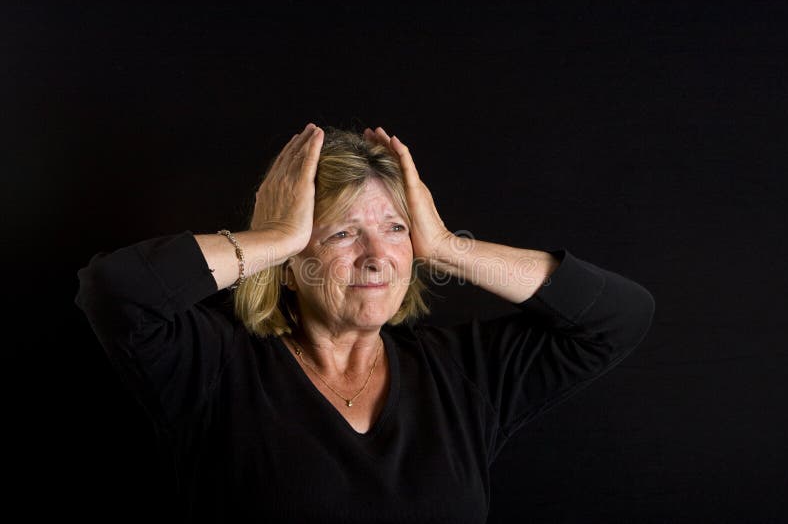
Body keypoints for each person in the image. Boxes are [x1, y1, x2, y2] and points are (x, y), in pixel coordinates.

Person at [75, 123, 655, 523]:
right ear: (291, 263)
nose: (377, 256)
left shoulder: (461, 375)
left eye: (396, 229)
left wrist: (448, 246)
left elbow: (619, 315)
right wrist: (273, 237)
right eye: (342, 232)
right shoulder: (216, 368)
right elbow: (118, 290)